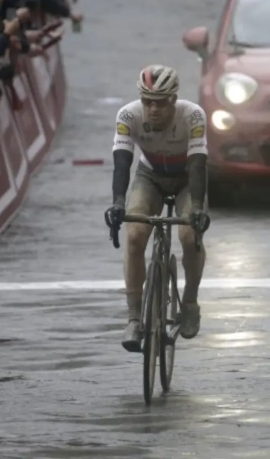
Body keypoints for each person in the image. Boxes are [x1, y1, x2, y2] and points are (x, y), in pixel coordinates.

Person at [105, 64, 211, 352]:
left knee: (190, 236)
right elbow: (122, 162)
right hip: (149, 175)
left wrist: (198, 208)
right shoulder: (128, 115)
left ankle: (189, 302)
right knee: (136, 234)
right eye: (147, 101)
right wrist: (117, 202)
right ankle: (134, 317)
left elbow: (199, 164)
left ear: (173, 100)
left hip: (187, 178)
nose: (152, 109)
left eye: (160, 102)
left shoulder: (193, 115)